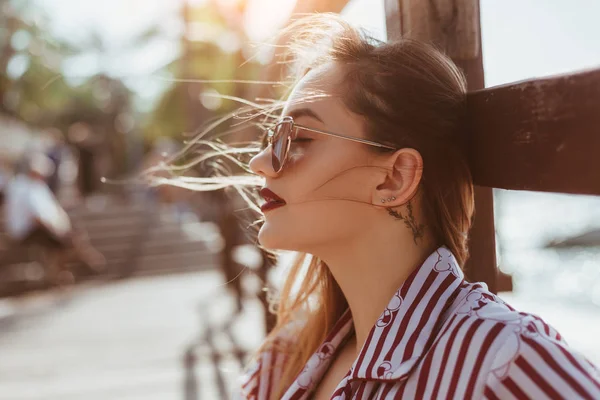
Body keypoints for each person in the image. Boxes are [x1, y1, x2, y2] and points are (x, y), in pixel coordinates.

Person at [179, 14, 600, 399]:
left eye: (299, 138)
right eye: (272, 138)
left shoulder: (501, 363)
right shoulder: (283, 361)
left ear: (393, 178)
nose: (259, 163)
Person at [3, 153, 106, 286]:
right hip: (29, 230)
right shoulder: (26, 187)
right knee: (64, 242)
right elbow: (37, 217)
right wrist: (57, 230)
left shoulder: (34, 187)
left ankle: (71, 268)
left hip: (38, 228)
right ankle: (81, 265)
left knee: (70, 239)